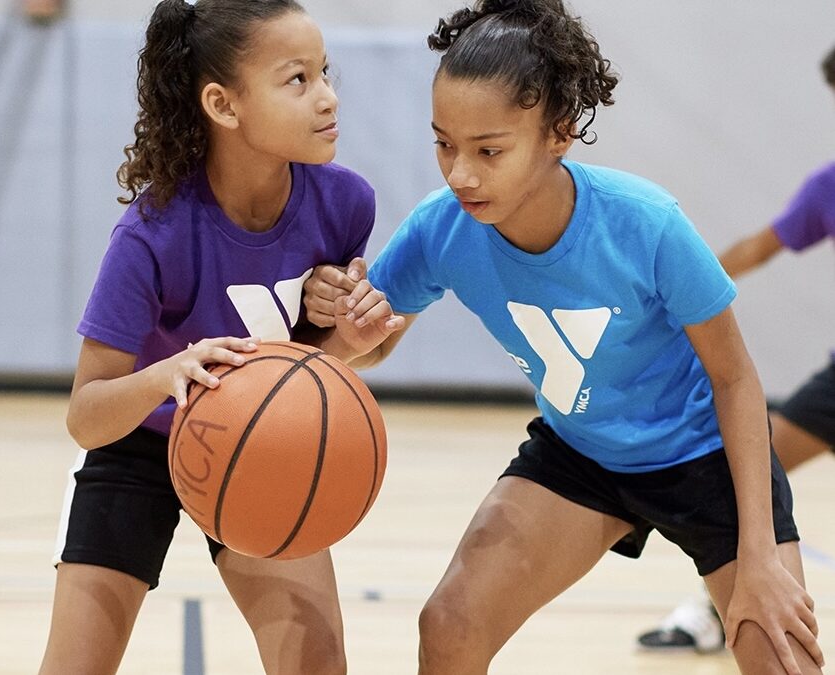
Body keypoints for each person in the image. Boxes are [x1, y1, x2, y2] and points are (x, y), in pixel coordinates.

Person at [302, 1, 825, 673]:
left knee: (781, 656)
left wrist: (757, 555)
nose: (460, 173)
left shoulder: (646, 224)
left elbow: (734, 378)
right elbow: (367, 345)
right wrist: (347, 334)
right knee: (449, 624)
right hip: (580, 455)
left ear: (559, 132)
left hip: (703, 458)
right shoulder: (442, 228)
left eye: (488, 150)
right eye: (443, 143)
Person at [37, 1, 401, 673]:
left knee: (316, 663)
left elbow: (327, 362)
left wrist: (357, 338)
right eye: (297, 80)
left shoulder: (345, 203)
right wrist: (167, 373)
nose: (327, 98)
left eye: (326, 73)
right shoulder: (151, 233)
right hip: (135, 450)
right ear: (223, 104)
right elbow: (85, 416)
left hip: (259, 445)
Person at [636, 41, 835, 656]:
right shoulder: (829, 186)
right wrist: (679, 290)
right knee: (746, 468)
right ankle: (719, 610)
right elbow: (758, 247)